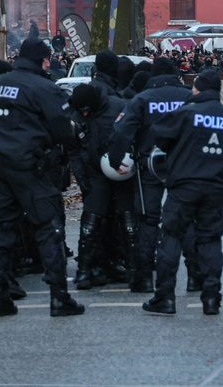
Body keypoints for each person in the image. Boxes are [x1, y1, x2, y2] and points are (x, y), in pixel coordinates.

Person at [0, 38, 83, 318]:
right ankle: (59, 297)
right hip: (32, 168)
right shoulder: (45, 88)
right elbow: (63, 129)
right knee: (50, 229)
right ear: (44, 60)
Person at [142, 69, 223, 315]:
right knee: (210, 240)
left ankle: (165, 297)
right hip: (215, 188)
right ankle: (211, 298)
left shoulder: (185, 114)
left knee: (171, 236)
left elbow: (159, 136)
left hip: (184, 185)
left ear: (198, 89)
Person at [107, 57, 195, 293]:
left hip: (150, 164)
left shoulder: (142, 99)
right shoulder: (188, 97)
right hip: (184, 165)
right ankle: (195, 275)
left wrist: (115, 159)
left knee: (148, 220)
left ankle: (144, 277)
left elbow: (121, 131)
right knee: (187, 217)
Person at [67, 84, 132, 290]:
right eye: (82, 111)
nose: (85, 114)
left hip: (123, 171)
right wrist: (82, 177)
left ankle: (128, 265)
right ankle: (85, 269)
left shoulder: (119, 107)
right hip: (94, 172)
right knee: (92, 219)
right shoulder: (74, 116)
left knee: (126, 219)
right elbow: (73, 150)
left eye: (87, 110)